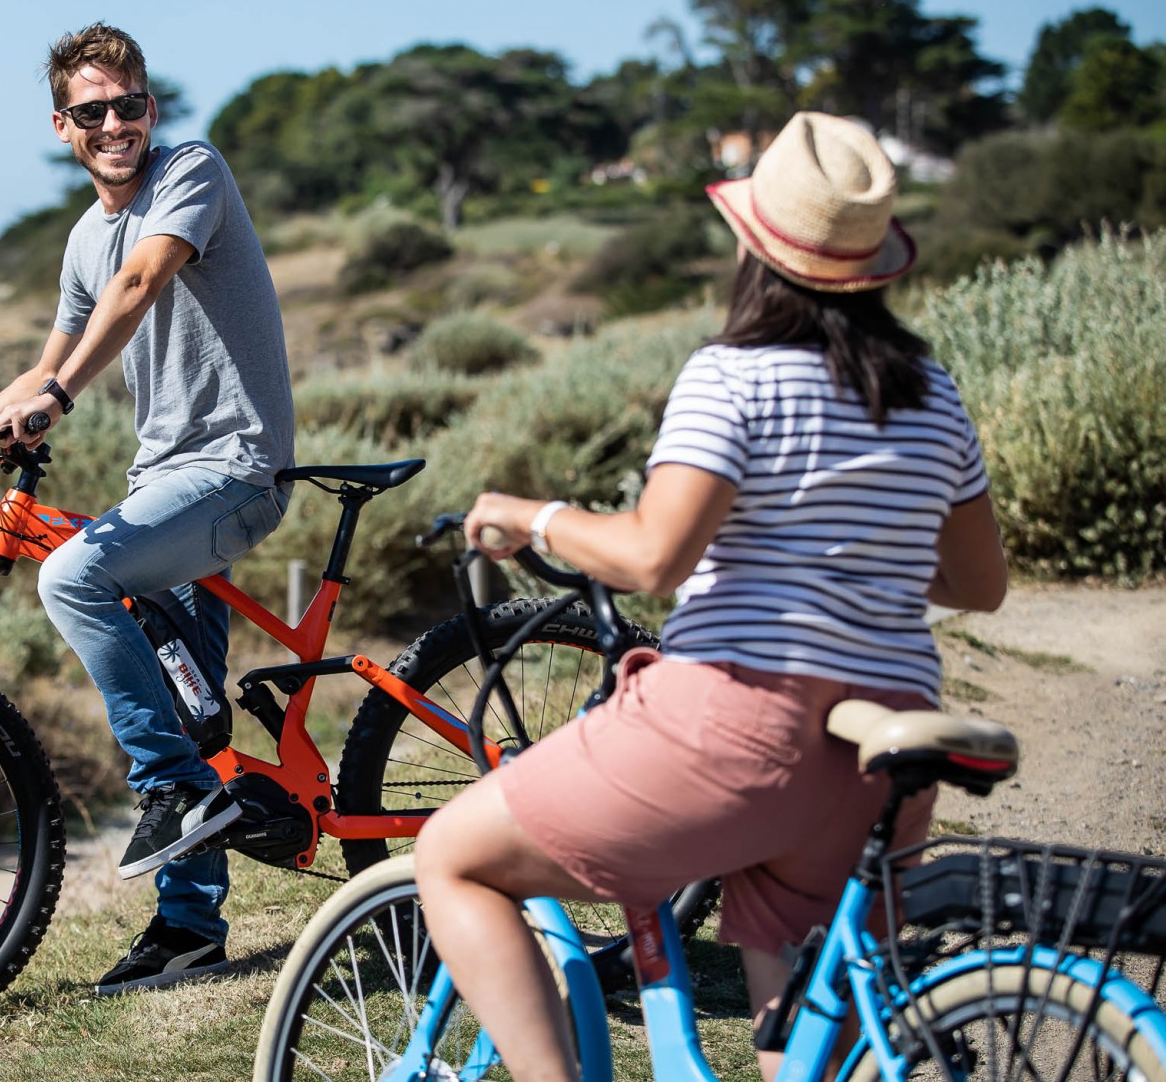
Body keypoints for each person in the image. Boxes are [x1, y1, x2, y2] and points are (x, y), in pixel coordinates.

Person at [417, 112, 1009, 1082]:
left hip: (736, 727)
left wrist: (538, 514)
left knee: (453, 852)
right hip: (882, 742)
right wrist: (858, 543)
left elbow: (654, 553)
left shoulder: (733, 376)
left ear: (754, 244)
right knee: (799, 1030)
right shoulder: (933, 393)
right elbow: (978, 584)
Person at [0, 22, 295, 996]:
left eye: (131, 104)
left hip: (235, 471)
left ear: (151, 108)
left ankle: (171, 790)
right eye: (94, 112)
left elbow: (142, 280)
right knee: (191, 703)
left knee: (75, 572)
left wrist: (61, 400)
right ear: (63, 126)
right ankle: (189, 927)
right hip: (162, 487)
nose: (116, 123)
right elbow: (47, 358)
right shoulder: (83, 234)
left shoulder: (190, 172)